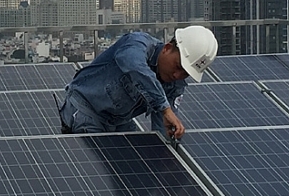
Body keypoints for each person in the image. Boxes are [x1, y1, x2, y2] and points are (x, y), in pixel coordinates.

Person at [59, 25, 218, 139]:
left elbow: (162, 126)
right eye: (178, 66)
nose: (177, 75)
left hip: (119, 121)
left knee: (133, 161)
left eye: (185, 73)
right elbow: (133, 65)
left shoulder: (174, 85)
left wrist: (167, 146)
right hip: (86, 110)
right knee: (99, 169)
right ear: (167, 48)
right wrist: (165, 108)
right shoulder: (138, 43)